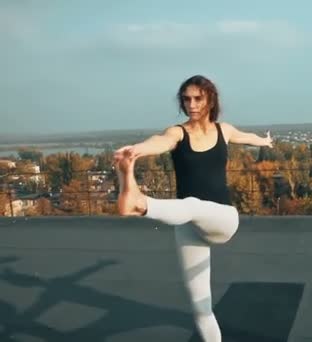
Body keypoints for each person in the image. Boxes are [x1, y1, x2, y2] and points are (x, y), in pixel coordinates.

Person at [113, 75, 273, 342]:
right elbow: (159, 141)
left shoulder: (225, 130)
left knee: (191, 205)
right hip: (188, 226)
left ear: (210, 99)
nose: (192, 104)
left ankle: (140, 204)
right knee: (201, 308)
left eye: (198, 98)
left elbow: (247, 137)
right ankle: (134, 199)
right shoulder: (178, 133)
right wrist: (136, 150)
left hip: (222, 219)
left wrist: (264, 142)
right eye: (186, 99)